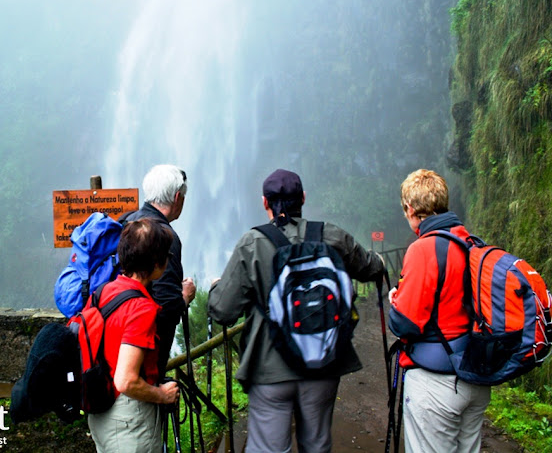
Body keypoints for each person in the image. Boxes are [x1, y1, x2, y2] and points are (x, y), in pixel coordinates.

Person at [208, 168, 385, 453]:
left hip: (270, 369)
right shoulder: (330, 235)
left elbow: (222, 310)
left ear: (265, 203)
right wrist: (378, 259)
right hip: (324, 361)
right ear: (302, 198)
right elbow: (371, 267)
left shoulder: (251, 244)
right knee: (316, 445)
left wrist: (217, 287)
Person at [388, 169, 491, 453]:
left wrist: (394, 301)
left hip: (438, 384)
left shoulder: (423, 249)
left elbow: (405, 323)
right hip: (475, 379)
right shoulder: (470, 243)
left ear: (410, 209)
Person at [87, 218, 180, 453]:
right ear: (156, 262)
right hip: (129, 421)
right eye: (166, 255)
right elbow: (126, 380)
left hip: (101, 414)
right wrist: (161, 395)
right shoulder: (141, 309)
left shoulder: (103, 292)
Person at [124, 164, 196, 380]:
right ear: (177, 197)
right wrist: (185, 298)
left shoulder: (128, 221)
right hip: (145, 358)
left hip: (120, 343)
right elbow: (165, 308)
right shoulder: (163, 237)